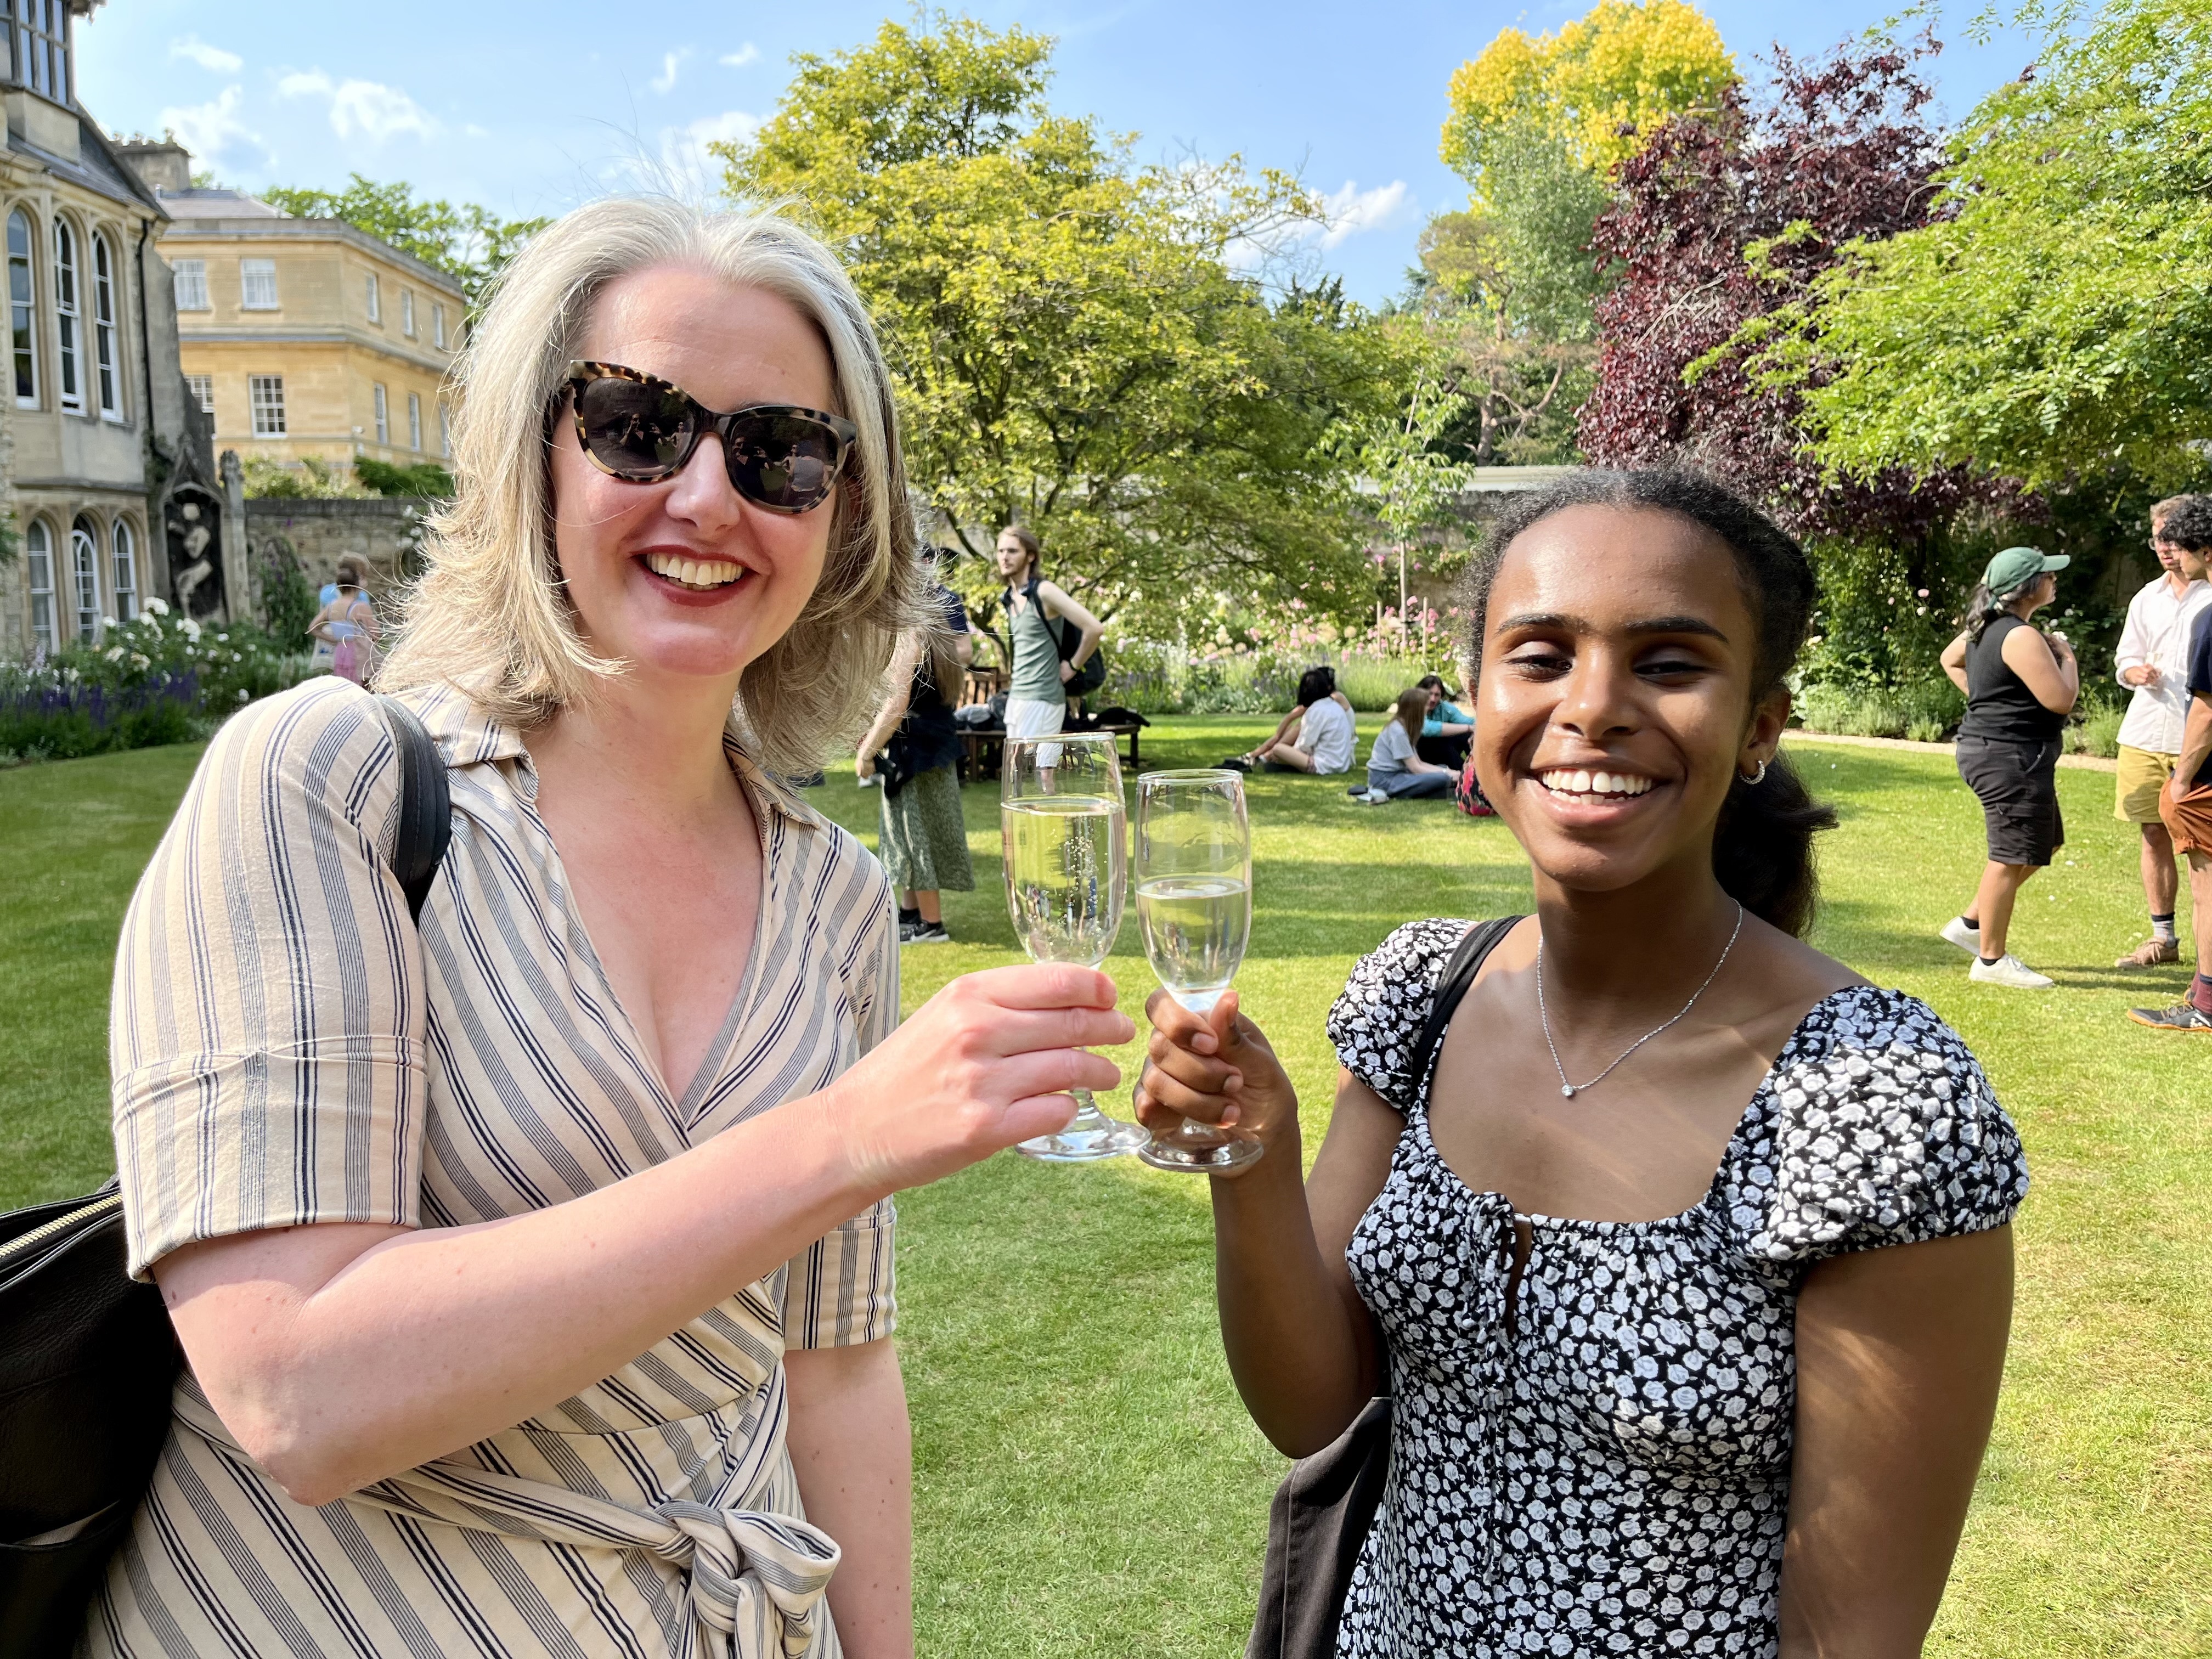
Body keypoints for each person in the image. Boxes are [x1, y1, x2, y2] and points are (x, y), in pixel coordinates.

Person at [93, 198, 1133, 1659]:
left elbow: (834, 1369)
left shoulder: (833, 891)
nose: (708, 497)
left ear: (838, 521)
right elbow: (296, 1391)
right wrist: (841, 1138)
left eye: (782, 452)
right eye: (641, 426)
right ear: (536, 458)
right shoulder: (329, 783)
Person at [1136, 468, 2024, 1657]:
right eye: (1542, 654)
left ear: (1762, 721)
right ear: (1475, 696)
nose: (1593, 705)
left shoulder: (1873, 1104)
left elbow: (1851, 1637)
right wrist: (1252, 1161)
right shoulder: (1423, 996)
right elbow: (1314, 1407)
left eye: (1669, 662)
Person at [1937, 545, 2080, 988]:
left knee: (2045, 842)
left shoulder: (1985, 627)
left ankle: (1972, 922)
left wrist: (1987, 702)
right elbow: (2061, 699)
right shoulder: (2019, 636)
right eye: (2048, 576)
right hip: (2008, 756)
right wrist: (2069, 660)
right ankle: (1992, 962)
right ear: (2029, 587)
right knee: (2008, 856)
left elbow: (1949, 659)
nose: (2054, 581)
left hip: (1999, 751)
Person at [2112, 496, 2212, 967]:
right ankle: (2163, 939)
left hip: (2196, 738)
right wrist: (2132, 673)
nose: (2167, 549)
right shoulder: (2145, 597)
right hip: (2146, 732)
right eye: (2159, 539)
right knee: (2152, 832)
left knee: (2204, 851)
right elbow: (2124, 657)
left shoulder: (2209, 593)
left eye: (2175, 539)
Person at [857, 572, 975, 944]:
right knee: (908, 835)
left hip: (917, 751)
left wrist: (866, 752)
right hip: (930, 745)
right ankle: (910, 913)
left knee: (917, 834)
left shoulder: (911, 630)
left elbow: (897, 703)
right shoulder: (932, 623)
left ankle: (931, 924)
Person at [994, 523, 1103, 740]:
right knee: (1017, 771)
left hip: (1043, 700)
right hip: (1018, 699)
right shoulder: (1011, 597)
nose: (1005, 557)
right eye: (1001, 551)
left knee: (1040, 772)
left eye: (1013, 551)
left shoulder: (1044, 591)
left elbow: (1094, 628)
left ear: (1031, 557)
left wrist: (1073, 666)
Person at [1228, 664, 1356, 774]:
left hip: (1324, 766)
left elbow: (1304, 745)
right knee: (1286, 743)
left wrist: (1281, 755)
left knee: (1279, 749)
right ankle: (1262, 759)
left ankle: (1262, 760)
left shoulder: (1316, 711)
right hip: (1341, 764)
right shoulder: (1332, 705)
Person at [1356, 686, 1456, 801]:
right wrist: (1449, 775)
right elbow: (1416, 768)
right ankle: (1441, 789)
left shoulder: (1405, 728)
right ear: (1416, 709)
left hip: (1401, 775)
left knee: (1442, 771)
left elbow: (1419, 763)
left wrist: (1449, 771)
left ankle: (1439, 790)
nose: (1428, 709)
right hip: (1386, 780)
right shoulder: (1398, 732)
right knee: (1442, 778)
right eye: (1426, 705)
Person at [308, 556, 381, 684]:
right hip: (359, 654)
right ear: (356, 583)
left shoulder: (331, 607)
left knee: (344, 687)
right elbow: (376, 635)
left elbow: (313, 628)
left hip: (341, 652)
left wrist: (335, 640)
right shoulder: (360, 607)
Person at [1414, 672, 1474, 768]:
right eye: (1430, 694)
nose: (1433, 699)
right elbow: (1426, 728)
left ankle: (1476, 770)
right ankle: (1461, 773)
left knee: (1467, 736)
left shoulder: (1444, 708)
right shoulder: (1413, 706)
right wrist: (1468, 728)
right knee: (1444, 744)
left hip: (1440, 750)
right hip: (1418, 752)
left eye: (1437, 695)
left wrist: (1479, 725)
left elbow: (1469, 721)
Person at [308, 578, 341, 672]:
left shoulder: (361, 598)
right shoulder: (329, 594)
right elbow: (313, 628)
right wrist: (333, 639)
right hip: (331, 638)